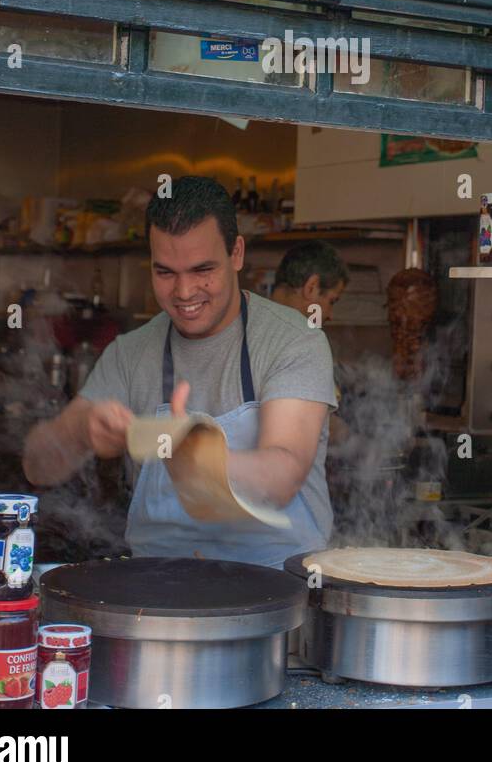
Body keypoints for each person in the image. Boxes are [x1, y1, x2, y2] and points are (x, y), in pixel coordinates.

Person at [22, 177, 336, 569]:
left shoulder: (293, 341)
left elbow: (282, 475)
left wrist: (198, 458)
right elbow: (37, 466)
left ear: (236, 253)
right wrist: (81, 430)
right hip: (159, 593)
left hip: (277, 594)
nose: (185, 292)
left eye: (202, 269)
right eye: (165, 272)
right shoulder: (130, 353)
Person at [271, 240, 349, 441]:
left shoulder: (250, 327)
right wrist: (352, 438)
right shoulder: (307, 342)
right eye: (332, 301)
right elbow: (321, 426)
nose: (330, 314)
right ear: (312, 287)